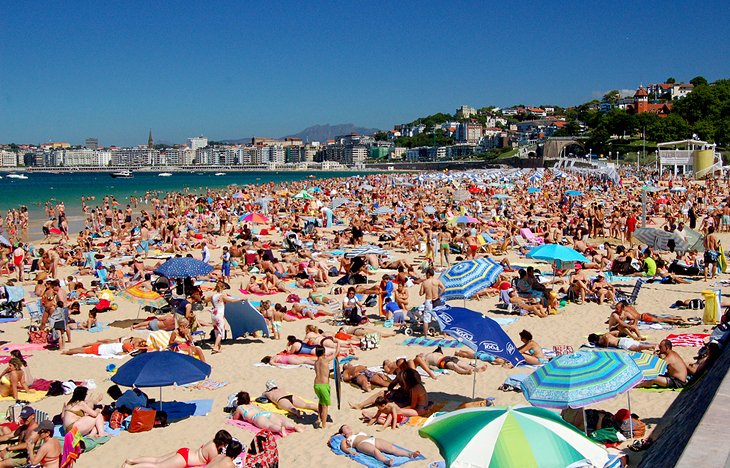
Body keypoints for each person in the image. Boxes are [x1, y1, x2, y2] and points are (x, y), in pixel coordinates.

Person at [123, 430, 233, 468]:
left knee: (157, 460)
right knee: (158, 466)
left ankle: (133, 460)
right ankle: (129, 466)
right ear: (222, 442)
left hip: (185, 451)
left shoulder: (211, 442)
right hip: (185, 459)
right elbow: (214, 463)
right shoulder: (213, 450)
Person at [336, 425, 420, 465]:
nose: (349, 428)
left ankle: (410, 454)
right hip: (361, 444)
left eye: (348, 426)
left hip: (372, 439)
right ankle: (385, 461)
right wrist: (350, 452)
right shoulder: (345, 439)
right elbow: (343, 447)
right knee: (375, 451)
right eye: (346, 428)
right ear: (343, 433)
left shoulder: (358, 433)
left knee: (391, 448)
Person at [232, 392, 304, 437]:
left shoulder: (240, 407)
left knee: (269, 425)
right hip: (265, 413)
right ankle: (294, 427)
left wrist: (234, 412)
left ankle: (280, 429)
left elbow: (235, 418)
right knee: (280, 421)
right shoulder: (251, 404)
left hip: (257, 417)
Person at [209, 280, 244, 353]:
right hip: (219, 315)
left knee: (216, 330)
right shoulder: (222, 296)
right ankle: (215, 347)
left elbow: (213, 303)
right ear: (222, 288)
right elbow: (232, 301)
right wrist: (241, 299)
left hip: (213, 314)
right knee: (221, 332)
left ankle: (219, 347)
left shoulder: (213, 296)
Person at [314, 343, 339, 429]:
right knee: (325, 406)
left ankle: (319, 418)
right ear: (324, 353)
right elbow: (336, 353)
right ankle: (324, 425)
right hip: (324, 385)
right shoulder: (326, 360)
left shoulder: (316, 362)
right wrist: (337, 343)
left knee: (321, 401)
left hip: (316, 385)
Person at [418, 268, 445, 336]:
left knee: (426, 319)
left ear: (428, 274)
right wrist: (438, 296)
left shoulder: (425, 282)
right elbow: (443, 288)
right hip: (436, 299)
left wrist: (425, 290)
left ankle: (426, 336)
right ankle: (445, 334)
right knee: (440, 317)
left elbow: (420, 293)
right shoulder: (437, 281)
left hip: (428, 300)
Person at [419, 348, 488, 375]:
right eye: (418, 355)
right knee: (453, 365)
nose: (419, 354)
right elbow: (429, 367)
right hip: (441, 362)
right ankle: (465, 372)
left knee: (463, 364)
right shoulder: (424, 360)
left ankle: (476, 369)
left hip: (448, 357)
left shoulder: (433, 352)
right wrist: (436, 369)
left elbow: (439, 349)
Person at [62, 337, 146, 356]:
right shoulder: (119, 350)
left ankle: (70, 349)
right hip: (98, 351)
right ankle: (67, 352)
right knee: (81, 351)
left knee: (82, 349)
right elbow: (120, 354)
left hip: (100, 346)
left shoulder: (119, 345)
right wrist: (126, 352)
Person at [588, 332, 656, 352]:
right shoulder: (606, 334)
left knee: (637, 348)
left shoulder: (601, 340)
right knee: (639, 345)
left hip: (621, 343)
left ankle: (650, 346)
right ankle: (654, 346)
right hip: (623, 340)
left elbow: (606, 341)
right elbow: (616, 333)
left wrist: (604, 345)